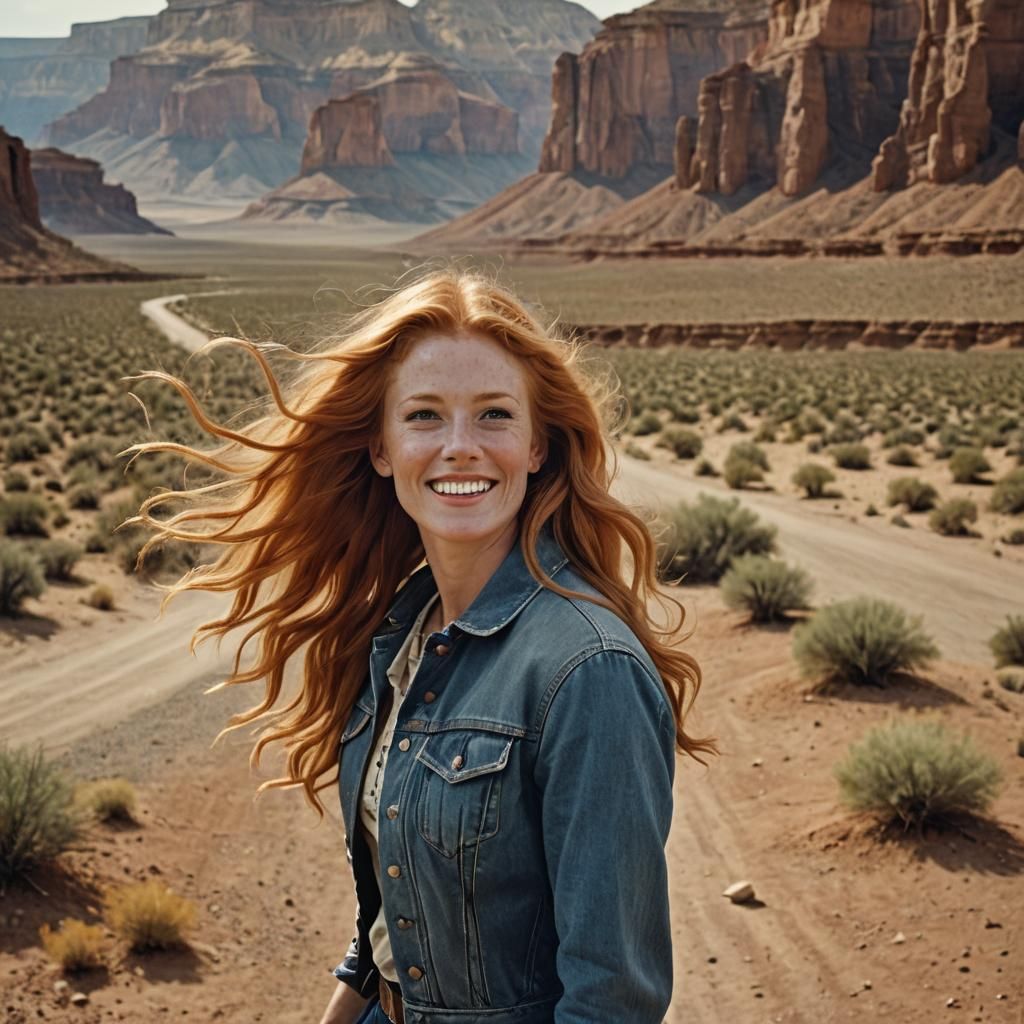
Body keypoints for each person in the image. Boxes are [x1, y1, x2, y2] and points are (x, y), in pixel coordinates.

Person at [124, 268, 718, 1024]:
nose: (461, 448)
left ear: (538, 445)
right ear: (381, 447)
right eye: (426, 417)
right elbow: (395, 918)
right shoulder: (402, 635)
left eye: (495, 415)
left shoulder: (586, 670)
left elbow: (614, 1000)